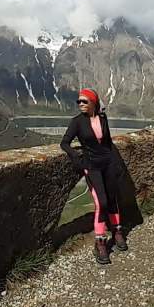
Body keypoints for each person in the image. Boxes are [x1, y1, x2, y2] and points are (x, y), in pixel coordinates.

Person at [60, 88, 127, 265]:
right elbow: (64, 143)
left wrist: (115, 162)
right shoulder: (77, 122)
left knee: (112, 199)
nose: (80, 104)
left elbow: (108, 142)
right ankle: (100, 241)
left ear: (93, 102)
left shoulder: (103, 118)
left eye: (84, 101)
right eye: (78, 101)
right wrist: (77, 158)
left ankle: (117, 231)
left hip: (108, 164)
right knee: (101, 203)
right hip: (92, 166)